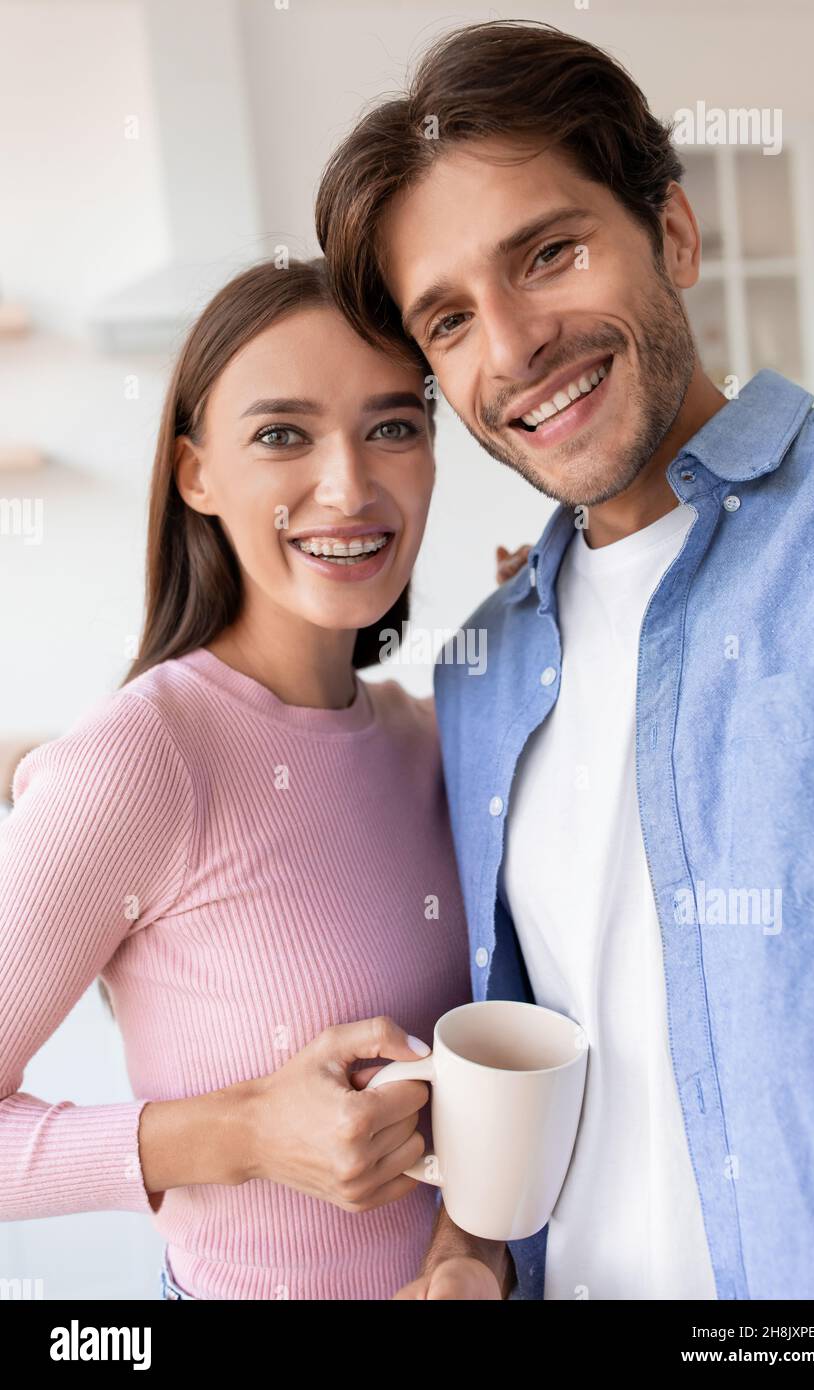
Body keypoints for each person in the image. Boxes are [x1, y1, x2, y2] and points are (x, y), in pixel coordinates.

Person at [316, 19, 814, 1300]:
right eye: (448, 320)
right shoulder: (484, 670)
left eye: (548, 253)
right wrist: (464, 1250)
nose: (511, 347)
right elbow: (545, 1033)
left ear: (669, 233)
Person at [0, 257, 501, 1300]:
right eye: (281, 433)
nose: (348, 485)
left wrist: (466, 1251)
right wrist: (247, 1133)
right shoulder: (140, 758)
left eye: (392, 426)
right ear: (196, 474)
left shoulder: (434, 737)